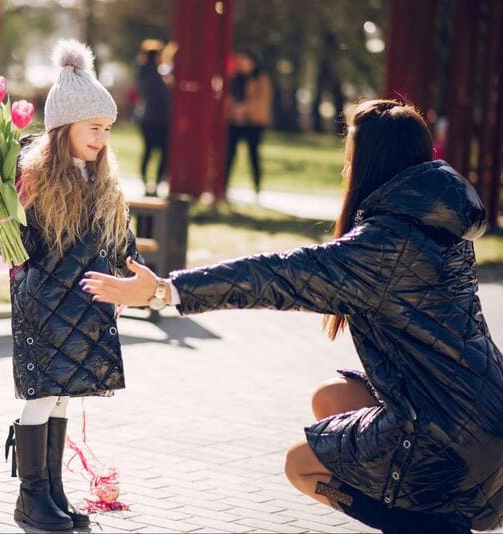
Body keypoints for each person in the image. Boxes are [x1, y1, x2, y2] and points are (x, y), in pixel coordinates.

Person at [81, 100, 503, 532]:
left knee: (301, 465)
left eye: (350, 159)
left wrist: (164, 289)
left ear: (372, 165)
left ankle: (430, 524)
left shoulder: (382, 248)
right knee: (331, 399)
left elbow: (275, 276)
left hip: (447, 439)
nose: (345, 170)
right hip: (487, 413)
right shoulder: (442, 222)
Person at [0, 39, 143, 531]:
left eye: (107, 129)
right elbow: (19, 243)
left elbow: (118, 235)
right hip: (43, 302)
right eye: (94, 128)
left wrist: (132, 268)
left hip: (83, 306)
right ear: (63, 128)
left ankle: (51, 490)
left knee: (61, 396)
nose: (102, 138)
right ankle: (29, 498)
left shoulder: (102, 179)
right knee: (40, 396)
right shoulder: (32, 176)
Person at [224, 51, 272, 198]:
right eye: (241, 61)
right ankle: (224, 187)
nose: (243, 64)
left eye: (246, 61)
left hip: (253, 123)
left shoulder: (261, 78)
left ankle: (257, 188)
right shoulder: (234, 78)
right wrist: (234, 109)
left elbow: (263, 100)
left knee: (253, 155)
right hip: (234, 122)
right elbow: (227, 97)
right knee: (229, 155)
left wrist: (245, 109)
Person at [135, 43, 171, 196]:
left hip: (147, 118)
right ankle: (154, 183)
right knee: (163, 153)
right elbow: (159, 98)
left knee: (148, 151)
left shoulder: (143, 72)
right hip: (158, 120)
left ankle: (146, 182)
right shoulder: (155, 75)